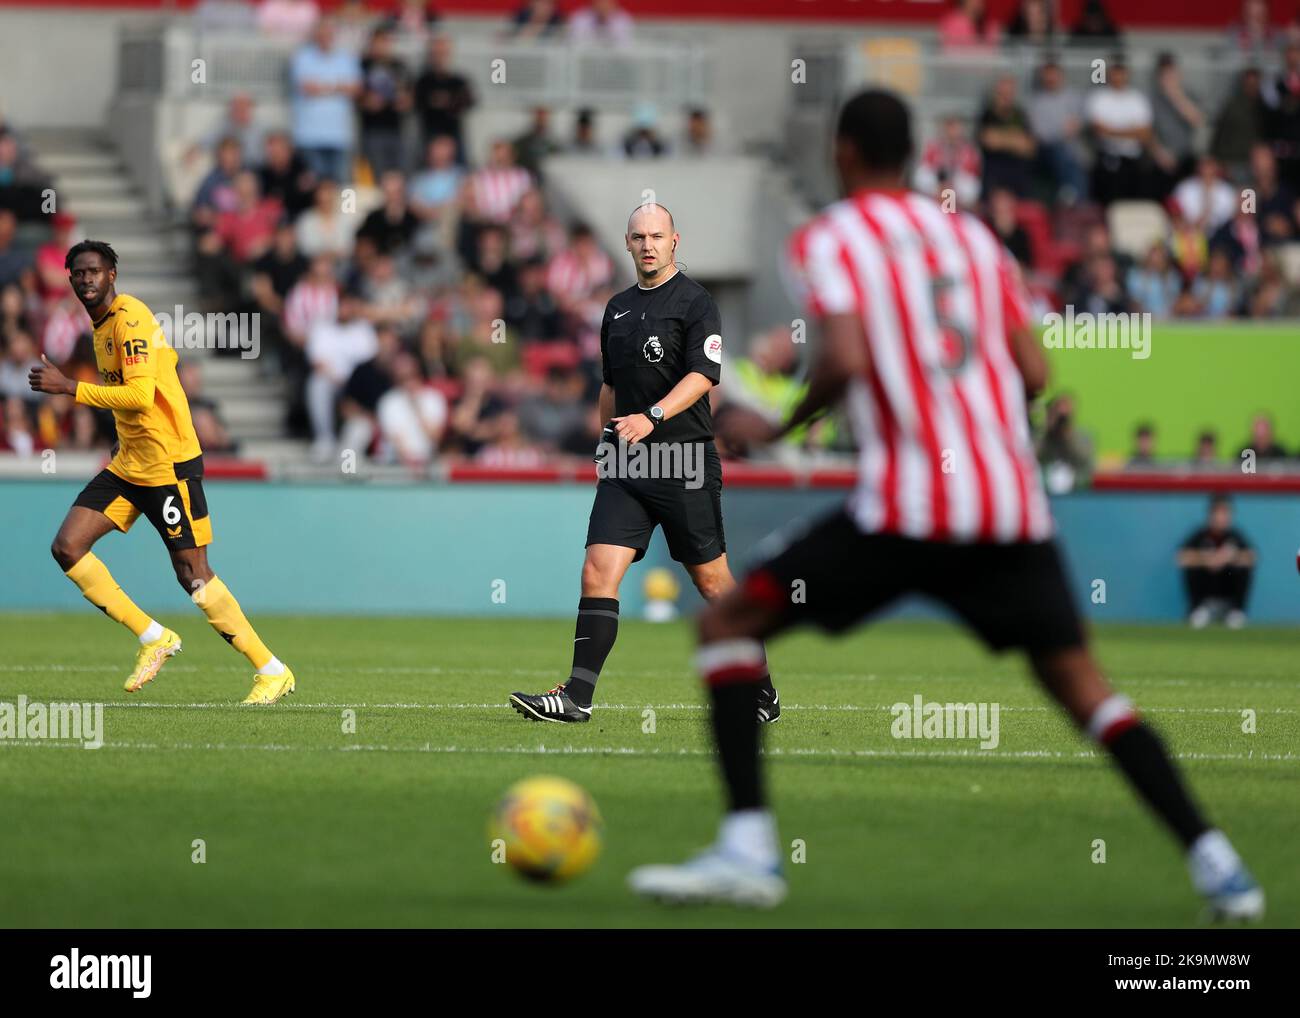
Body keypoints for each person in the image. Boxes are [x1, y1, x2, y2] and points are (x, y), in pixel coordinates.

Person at [627, 89, 1263, 923]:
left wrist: (779, 420)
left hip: (906, 509)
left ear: (845, 153)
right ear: (912, 151)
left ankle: (748, 849)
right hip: (1009, 510)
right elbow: (1037, 375)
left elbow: (847, 354)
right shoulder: (973, 238)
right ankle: (1221, 868)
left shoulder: (831, 237)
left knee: (725, 628)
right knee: (1087, 691)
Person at [508, 202, 780, 725]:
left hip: (684, 460)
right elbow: (611, 385)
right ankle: (577, 697)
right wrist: (606, 436)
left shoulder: (696, 303)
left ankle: (761, 691)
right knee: (597, 571)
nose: (649, 244)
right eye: (639, 237)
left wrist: (652, 416)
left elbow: (704, 375)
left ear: (675, 240)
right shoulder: (617, 308)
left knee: (713, 584)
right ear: (628, 243)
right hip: (628, 463)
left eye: (658, 235)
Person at [26, 240, 296, 704]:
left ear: (113, 275)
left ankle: (272, 670)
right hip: (132, 461)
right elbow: (145, 383)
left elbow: (139, 394)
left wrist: (70, 388)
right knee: (67, 547)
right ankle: (153, 636)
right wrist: (124, 433)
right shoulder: (101, 327)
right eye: (78, 273)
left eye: (95, 271)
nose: (86, 279)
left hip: (168, 464)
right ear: (69, 279)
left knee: (193, 573)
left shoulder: (129, 317)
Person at [289, 19, 361, 183]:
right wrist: (338, 86)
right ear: (315, 35)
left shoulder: (346, 58)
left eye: (329, 33)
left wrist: (323, 86)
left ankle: (347, 210)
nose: (325, 37)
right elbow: (307, 88)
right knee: (316, 186)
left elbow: (355, 89)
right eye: (322, 33)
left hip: (340, 135)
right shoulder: (302, 57)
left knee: (345, 184)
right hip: (310, 135)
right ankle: (318, 210)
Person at [1177, 496, 1255, 629]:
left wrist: (1229, 558)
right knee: (1192, 565)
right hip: (1205, 600)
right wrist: (1207, 559)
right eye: (1218, 512)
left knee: (1243, 566)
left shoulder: (1235, 537)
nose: (1221, 517)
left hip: (1229, 598)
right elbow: (1181, 557)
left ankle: (1236, 612)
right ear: (1210, 515)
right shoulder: (1200, 535)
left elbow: (1252, 557)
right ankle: (1197, 611)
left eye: (1225, 513)